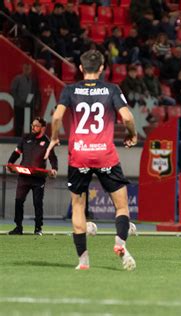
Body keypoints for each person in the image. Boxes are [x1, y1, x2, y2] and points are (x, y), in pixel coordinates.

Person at [45, 50, 138, 271]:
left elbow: (57, 116)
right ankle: (120, 243)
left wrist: (55, 137)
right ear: (102, 68)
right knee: (122, 205)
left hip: (79, 155)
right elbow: (127, 117)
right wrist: (132, 134)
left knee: (78, 206)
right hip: (105, 154)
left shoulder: (70, 90)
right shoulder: (112, 89)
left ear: (80, 68)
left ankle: (83, 261)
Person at [7, 117, 58, 235]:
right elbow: (16, 153)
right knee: (18, 201)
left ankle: (38, 228)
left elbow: (53, 158)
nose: (33, 128)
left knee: (37, 202)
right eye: (32, 125)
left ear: (43, 128)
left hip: (38, 178)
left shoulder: (47, 142)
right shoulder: (25, 138)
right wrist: (10, 163)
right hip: (23, 176)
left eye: (36, 126)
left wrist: (54, 169)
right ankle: (18, 227)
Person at [11, 64, 38, 137]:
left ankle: (28, 139)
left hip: (29, 105)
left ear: (30, 70)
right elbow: (13, 90)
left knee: (29, 123)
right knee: (18, 123)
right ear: (23, 69)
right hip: (19, 105)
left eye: (28, 69)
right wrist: (18, 101)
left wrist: (33, 102)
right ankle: (17, 138)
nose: (27, 70)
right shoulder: (17, 78)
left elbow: (33, 92)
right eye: (25, 68)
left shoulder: (32, 80)